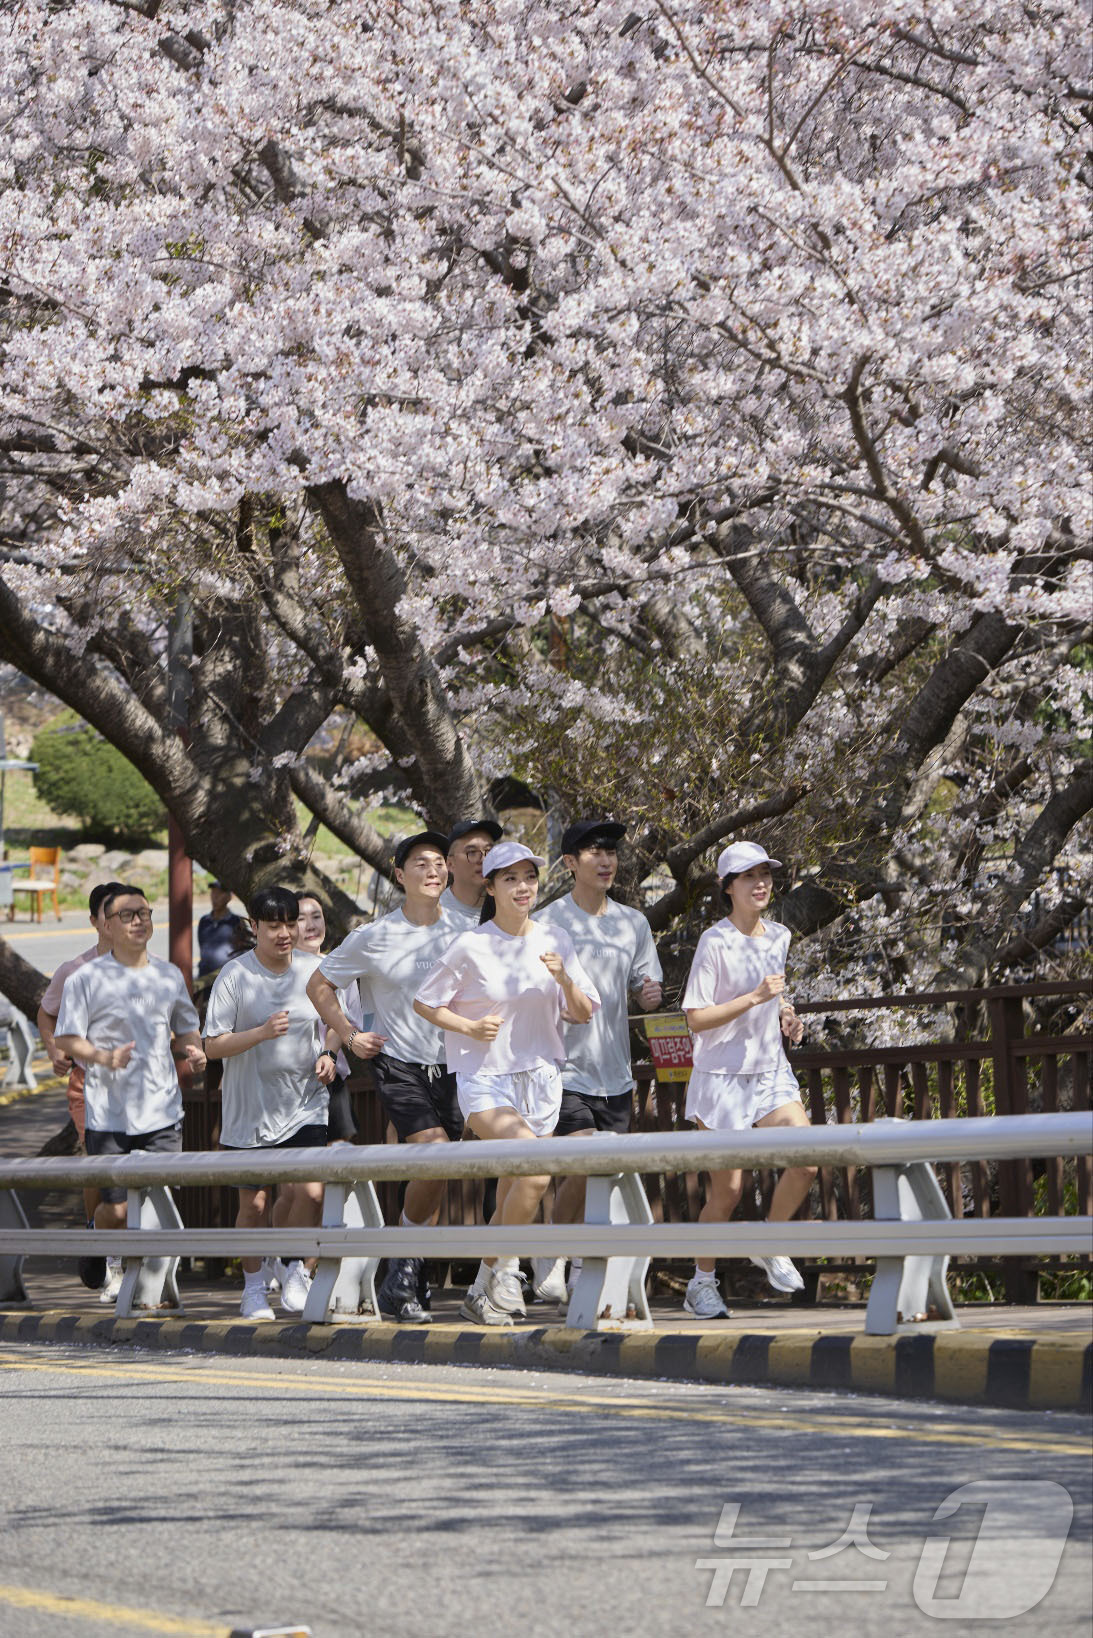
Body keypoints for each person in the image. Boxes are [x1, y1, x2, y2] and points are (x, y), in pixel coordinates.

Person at [414, 840, 600, 1325]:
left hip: (541, 1079)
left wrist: (564, 980)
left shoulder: (556, 938)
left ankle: (481, 1285)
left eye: (529, 877)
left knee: (521, 1184)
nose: (523, 887)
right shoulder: (471, 945)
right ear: (491, 887)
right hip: (484, 1079)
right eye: (510, 879)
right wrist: (469, 1029)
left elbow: (582, 1013)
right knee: (536, 1172)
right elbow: (426, 1003)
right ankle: (510, 1269)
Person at [307, 831, 460, 1324]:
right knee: (435, 1154)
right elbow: (319, 984)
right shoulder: (375, 936)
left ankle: (404, 1277)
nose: (433, 870)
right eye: (420, 863)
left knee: (434, 1173)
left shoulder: (465, 929)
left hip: (455, 1065)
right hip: (398, 1062)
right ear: (399, 874)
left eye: (439, 862)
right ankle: (404, 1268)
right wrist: (349, 1036)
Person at [680, 840, 814, 1319]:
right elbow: (695, 1018)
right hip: (720, 1077)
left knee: (807, 1159)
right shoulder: (714, 941)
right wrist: (756, 997)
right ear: (728, 887)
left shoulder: (779, 935)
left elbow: (776, 996)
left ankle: (770, 1243)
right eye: (748, 876)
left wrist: (787, 1015)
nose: (760, 883)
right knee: (728, 1192)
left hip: (770, 1070)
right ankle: (701, 1282)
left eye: (766, 874)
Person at [532, 820, 663, 1303]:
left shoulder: (633, 922)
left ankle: (575, 1259)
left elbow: (646, 991)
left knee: (599, 1170)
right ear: (569, 863)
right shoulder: (546, 922)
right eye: (593, 852)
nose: (606, 860)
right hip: (562, 1065)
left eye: (610, 852)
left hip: (616, 1071)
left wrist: (649, 994)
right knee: (585, 1159)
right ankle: (558, 1250)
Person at [54, 885, 205, 1299]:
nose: (140, 920)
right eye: (128, 914)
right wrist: (102, 1057)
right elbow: (67, 1037)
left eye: (145, 912)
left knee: (156, 1205)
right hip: (109, 1112)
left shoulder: (168, 974)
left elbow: (186, 1025)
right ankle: (100, 1240)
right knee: (117, 1209)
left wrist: (193, 1048)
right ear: (106, 924)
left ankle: (144, 1283)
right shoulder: (85, 978)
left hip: (162, 1109)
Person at [203, 885, 336, 1320]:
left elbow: (338, 1022)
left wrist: (329, 1053)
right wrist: (260, 1032)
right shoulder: (235, 976)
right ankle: (254, 1287)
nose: (284, 933)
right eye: (273, 925)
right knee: (254, 1205)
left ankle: (297, 1270)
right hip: (250, 1108)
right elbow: (212, 1046)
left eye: (290, 923)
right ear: (254, 927)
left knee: (313, 1194)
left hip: (306, 1102)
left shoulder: (316, 970)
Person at [36, 879, 127, 1286]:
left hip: (140, 1089)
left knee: (134, 1170)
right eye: (113, 915)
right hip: (88, 1086)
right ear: (95, 921)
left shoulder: (149, 967)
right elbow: (46, 1013)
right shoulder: (73, 970)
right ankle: (101, 1244)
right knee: (101, 1167)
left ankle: (123, 1249)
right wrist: (54, 1051)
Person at [440, 818, 503, 927]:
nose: (483, 859)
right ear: (450, 864)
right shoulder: (434, 915)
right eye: (472, 852)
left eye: (489, 851)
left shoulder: (508, 907)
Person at [196, 882, 245, 978]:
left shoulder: (236, 922)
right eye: (213, 893)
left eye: (219, 893)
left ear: (229, 897)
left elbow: (242, 954)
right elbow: (202, 946)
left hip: (227, 979)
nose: (215, 897)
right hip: (204, 979)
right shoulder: (204, 921)